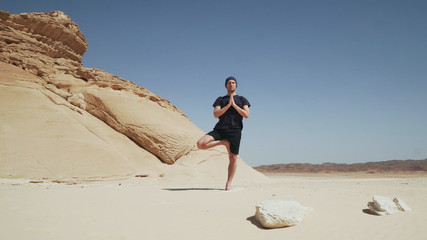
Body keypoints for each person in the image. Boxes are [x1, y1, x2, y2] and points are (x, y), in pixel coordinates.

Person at [197, 76, 250, 190]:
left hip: (235, 130)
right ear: (226, 85)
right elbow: (216, 114)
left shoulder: (242, 99)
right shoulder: (220, 99)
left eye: (233, 82)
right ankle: (223, 142)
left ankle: (228, 183)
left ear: (236, 85)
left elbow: (246, 114)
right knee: (200, 144)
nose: (231, 84)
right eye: (229, 83)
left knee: (233, 157)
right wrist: (227, 105)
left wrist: (234, 105)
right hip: (220, 129)